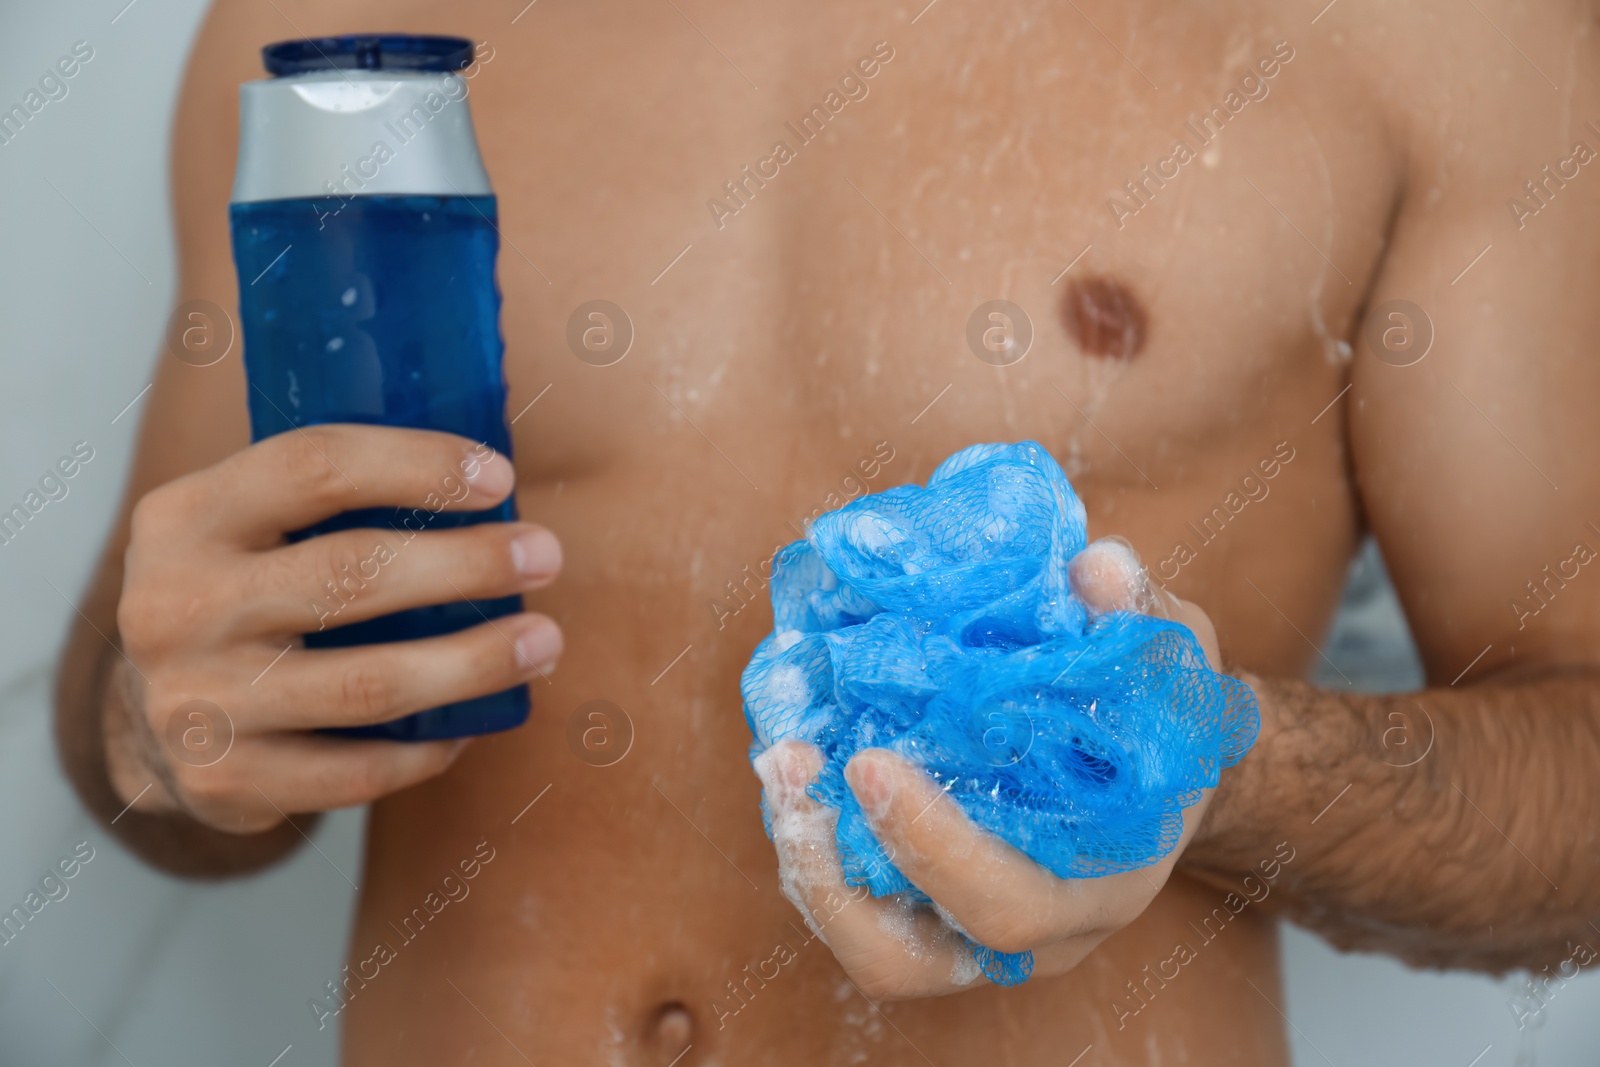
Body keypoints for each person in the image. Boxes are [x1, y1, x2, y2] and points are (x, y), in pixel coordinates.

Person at [54, 0, 1600, 1063]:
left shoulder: (1433, 32)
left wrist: (1215, 764)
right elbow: (155, 714)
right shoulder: (337, 47)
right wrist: (151, 728)